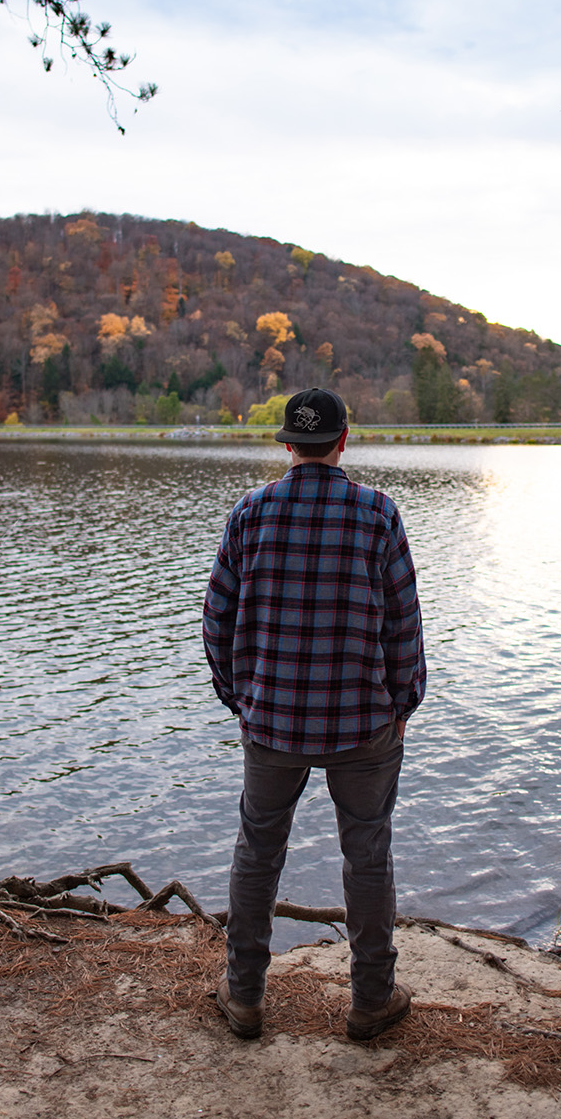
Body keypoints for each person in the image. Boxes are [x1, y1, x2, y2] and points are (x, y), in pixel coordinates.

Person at [203, 387, 426, 1043]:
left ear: (286, 443)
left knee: (257, 851)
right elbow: (404, 624)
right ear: (343, 438)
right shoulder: (377, 514)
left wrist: (240, 698)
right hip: (362, 722)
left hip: (270, 720)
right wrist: (402, 702)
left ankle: (243, 996)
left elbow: (216, 619)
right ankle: (370, 998)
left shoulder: (250, 512)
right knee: (367, 854)